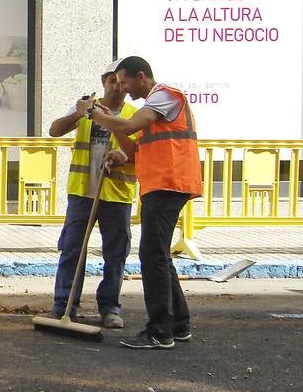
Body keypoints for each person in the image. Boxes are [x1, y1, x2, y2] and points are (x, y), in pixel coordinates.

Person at [88, 55, 203, 350]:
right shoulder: (154, 105)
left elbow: (128, 126)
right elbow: (135, 147)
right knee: (159, 255)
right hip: (161, 185)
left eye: (125, 82)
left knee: (152, 256)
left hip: (169, 183)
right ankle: (178, 324)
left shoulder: (164, 96)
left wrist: (94, 114)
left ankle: (160, 331)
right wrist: (120, 151)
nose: (123, 89)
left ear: (141, 76)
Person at [44, 63, 137, 329]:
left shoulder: (134, 115)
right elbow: (55, 129)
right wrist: (78, 114)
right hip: (83, 192)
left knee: (116, 253)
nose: (117, 87)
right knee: (73, 248)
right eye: (111, 81)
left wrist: (123, 156)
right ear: (104, 82)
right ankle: (64, 305)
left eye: (121, 82)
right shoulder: (86, 108)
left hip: (117, 194)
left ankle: (110, 308)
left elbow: (140, 150)